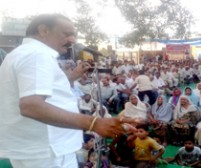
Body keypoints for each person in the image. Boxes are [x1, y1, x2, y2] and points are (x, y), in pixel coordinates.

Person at [0, 14, 135, 168]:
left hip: (40, 150)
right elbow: (31, 106)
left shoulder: (24, 53)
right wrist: (93, 123)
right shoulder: (37, 54)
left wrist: (70, 78)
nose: (73, 40)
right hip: (49, 153)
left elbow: (39, 93)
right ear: (43, 30)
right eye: (67, 34)